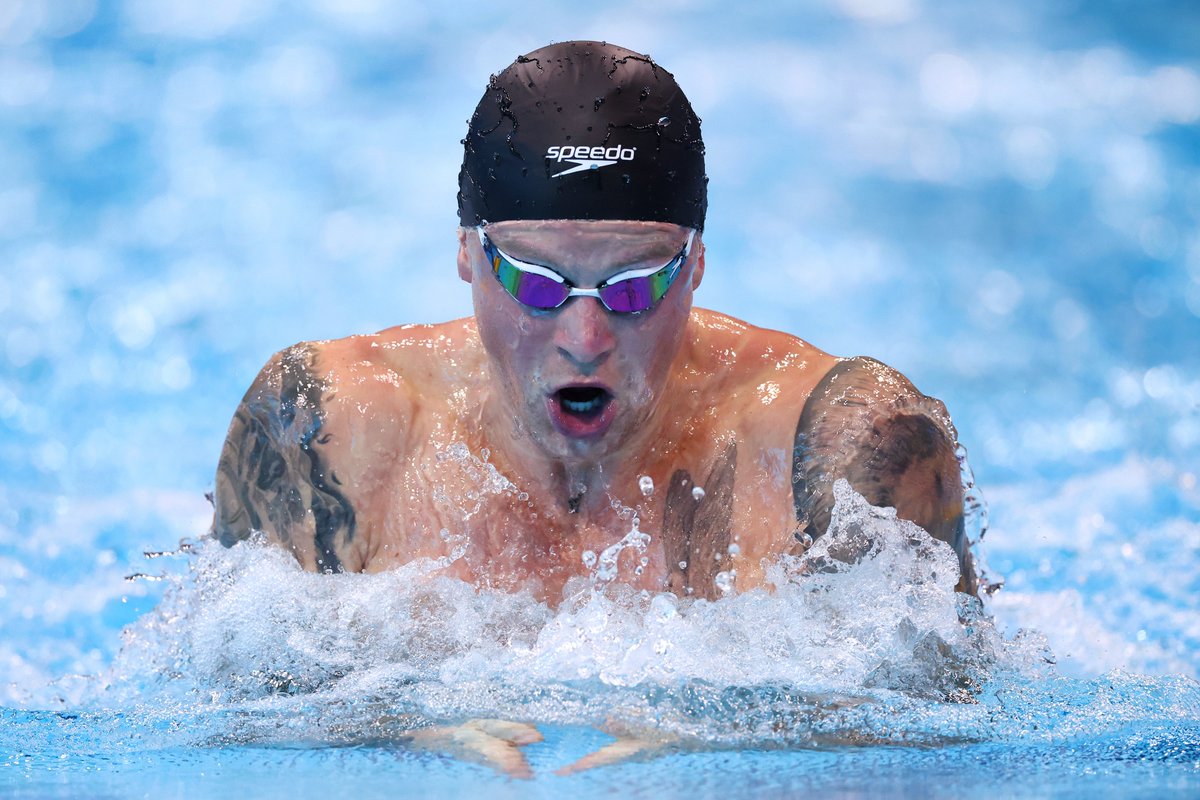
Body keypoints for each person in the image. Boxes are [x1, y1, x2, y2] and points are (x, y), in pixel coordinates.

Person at [212, 39, 976, 605]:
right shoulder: (328, 433)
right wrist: (407, 734)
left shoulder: (844, 453)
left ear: (697, 263)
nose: (584, 338)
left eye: (634, 285)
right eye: (537, 284)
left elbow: (937, 739)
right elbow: (231, 722)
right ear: (467, 257)